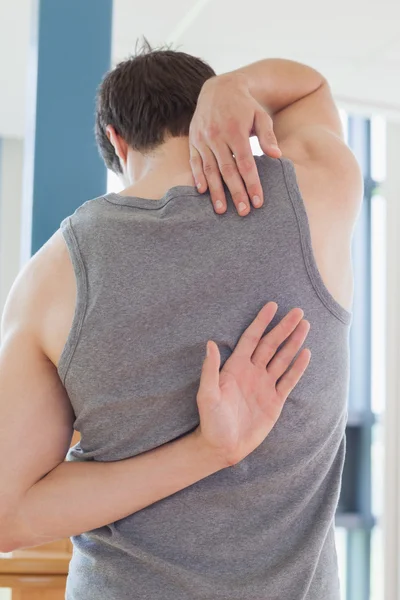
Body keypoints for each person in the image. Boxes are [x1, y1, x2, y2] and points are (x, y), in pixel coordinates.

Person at [0, 42, 362, 600]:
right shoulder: (319, 189)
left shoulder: (52, 275)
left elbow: (9, 517)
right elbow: (310, 88)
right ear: (208, 116)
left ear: (116, 144)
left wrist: (199, 453)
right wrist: (236, 85)